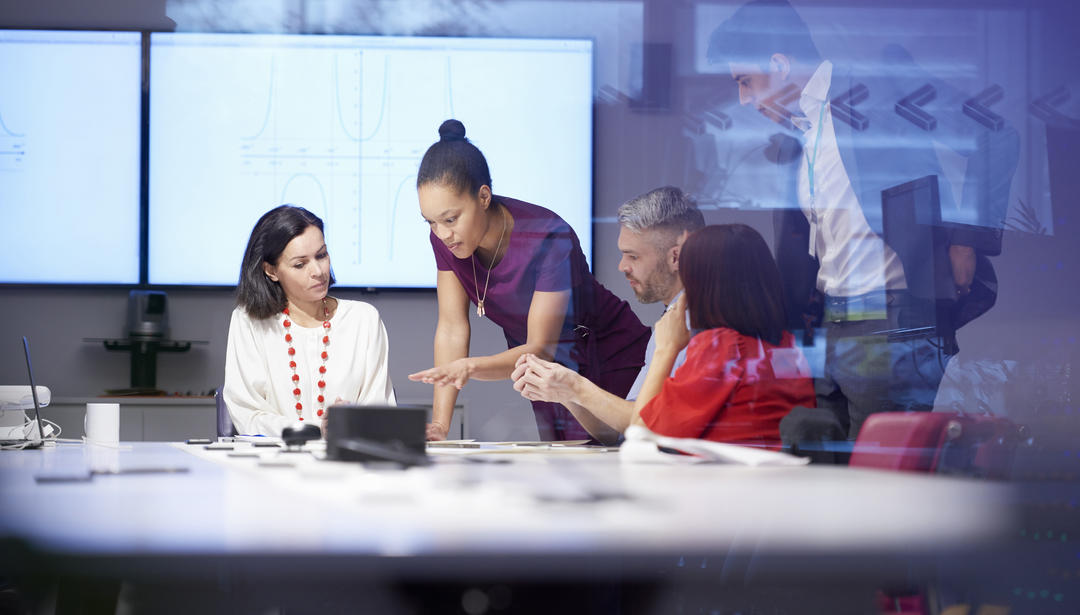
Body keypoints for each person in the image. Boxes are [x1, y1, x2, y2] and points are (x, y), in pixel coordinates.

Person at [707, 0, 1018, 439]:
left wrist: (965, 239)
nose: (743, 99)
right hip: (830, 328)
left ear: (778, 64)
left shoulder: (879, 87)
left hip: (891, 322)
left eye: (745, 81)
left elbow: (995, 135)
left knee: (877, 478)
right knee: (826, 476)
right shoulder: (799, 134)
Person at [408, 119, 650, 441]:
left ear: (483, 196)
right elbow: (452, 327)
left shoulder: (546, 235)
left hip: (605, 353)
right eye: (431, 222)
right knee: (566, 472)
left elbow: (540, 347)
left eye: (450, 219)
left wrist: (469, 367)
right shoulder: (445, 238)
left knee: (624, 460)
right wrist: (440, 424)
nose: (442, 234)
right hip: (542, 372)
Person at [521, 224, 814, 445]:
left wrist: (666, 348)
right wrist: (569, 390)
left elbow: (640, 433)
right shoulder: (784, 346)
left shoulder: (721, 348)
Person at [510, 186, 704, 444]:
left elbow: (644, 426)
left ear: (675, 257)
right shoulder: (668, 325)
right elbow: (623, 430)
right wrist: (566, 393)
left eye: (633, 256)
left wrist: (577, 387)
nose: (622, 266)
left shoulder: (700, 326)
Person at [224, 205, 395, 436]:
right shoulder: (248, 321)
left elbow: (380, 411)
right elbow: (248, 415)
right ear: (271, 271)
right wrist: (315, 430)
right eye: (300, 264)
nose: (318, 270)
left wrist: (353, 421)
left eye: (322, 255)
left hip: (348, 464)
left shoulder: (363, 320)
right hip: (272, 465)